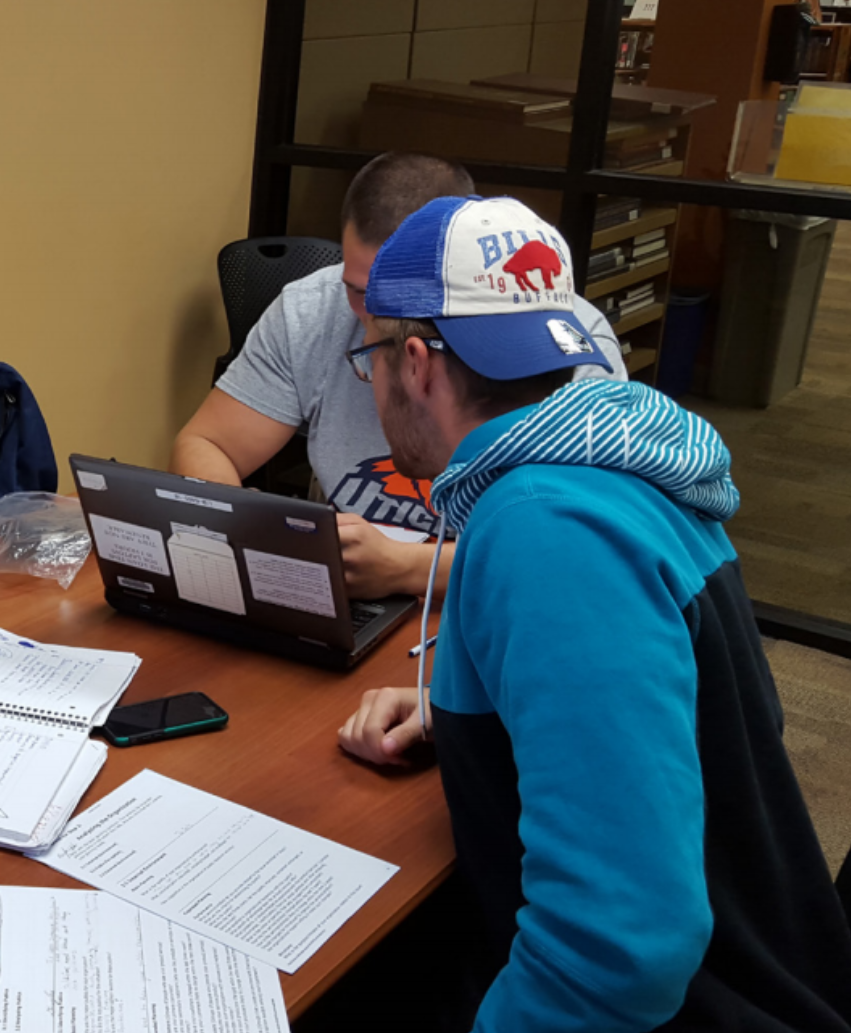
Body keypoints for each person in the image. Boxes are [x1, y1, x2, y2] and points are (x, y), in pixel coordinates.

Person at [336, 196, 851, 1030]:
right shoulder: (615, 464)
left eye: (374, 358)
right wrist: (480, 712)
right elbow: (698, 710)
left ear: (419, 362)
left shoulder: (543, 525)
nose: (377, 381)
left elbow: (622, 946)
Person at [172, 153, 625, 599]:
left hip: (491, 599)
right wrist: (253, 539)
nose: (373, 317)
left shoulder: (556, 342)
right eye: (358, 290)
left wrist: (405, 568)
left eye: (393, 296)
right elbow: (206, 443)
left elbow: (580, 545)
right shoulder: (310, 310)